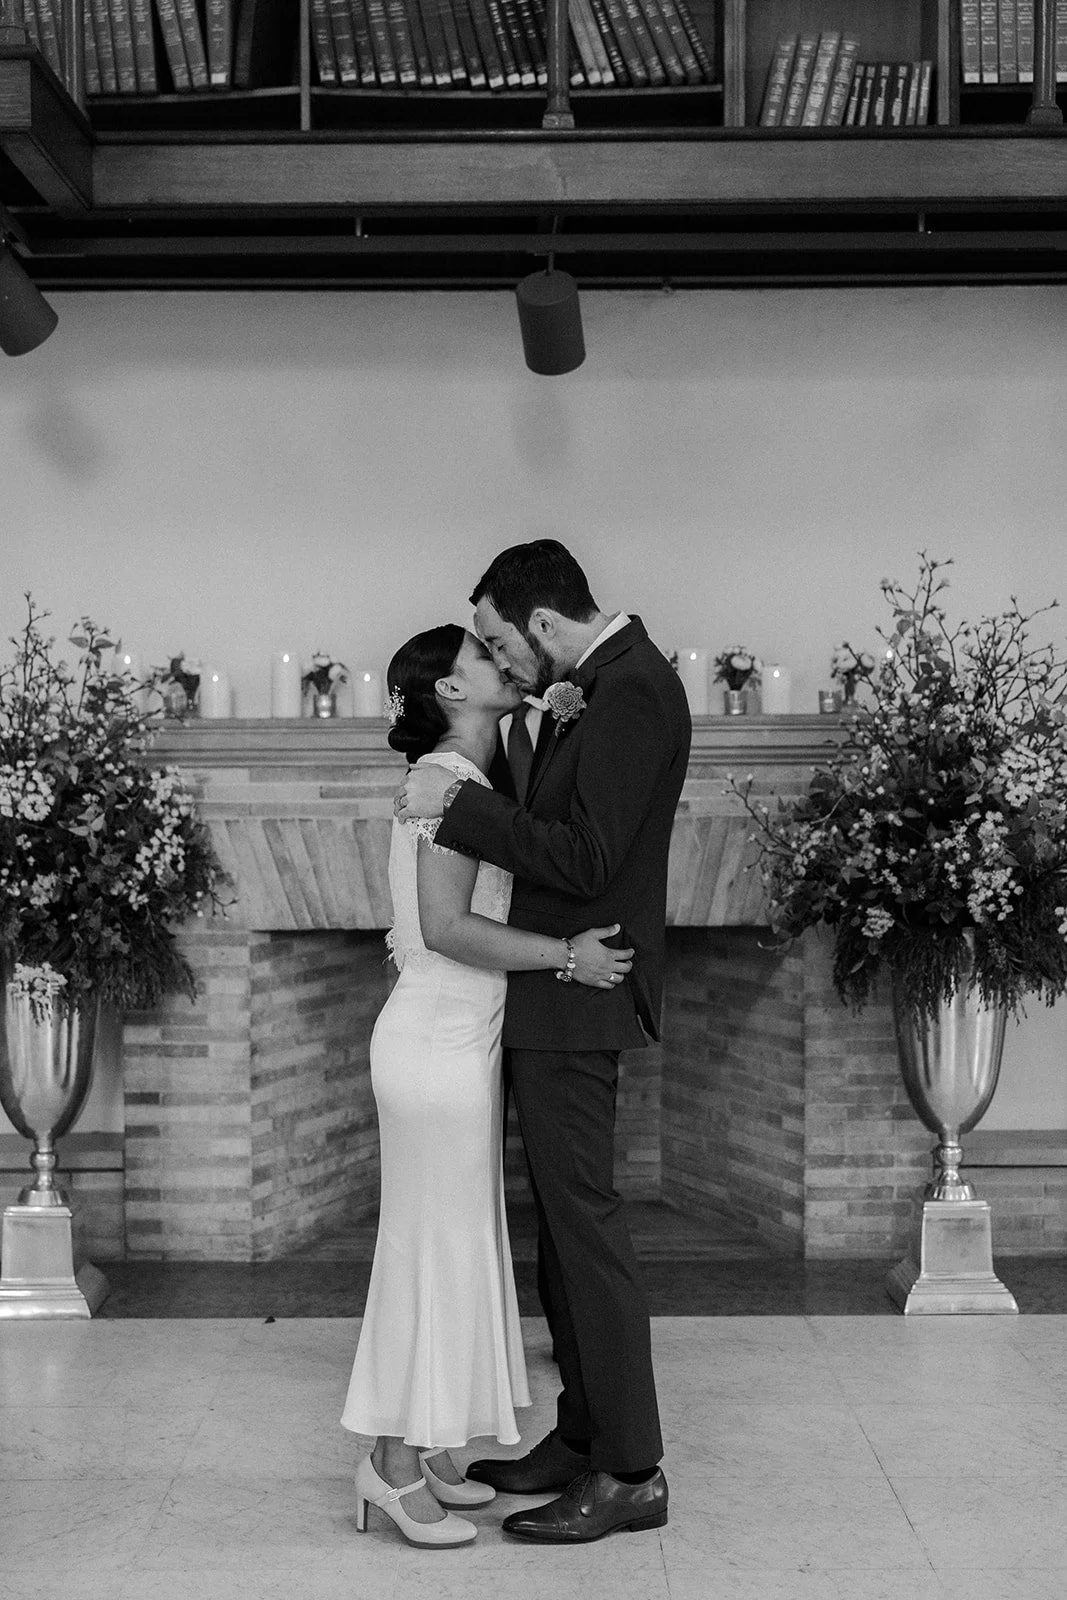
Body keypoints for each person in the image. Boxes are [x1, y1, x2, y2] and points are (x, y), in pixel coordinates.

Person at [396, 540, 692, 1545]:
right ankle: (579, 1430)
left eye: (495, 639)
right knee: (559, 1235)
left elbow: (586, 852)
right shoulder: (593, 686)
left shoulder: (633, 690)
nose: (499, 658)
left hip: (579, 995)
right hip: (550, 998)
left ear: (543, 624)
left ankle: (630, 1470)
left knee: (588, 1231)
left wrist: (461, 807)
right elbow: (558, 812)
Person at [340, 622, 633, 1550]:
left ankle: (426, 1449)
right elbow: (445, 928)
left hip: (462, 1038)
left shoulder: (474, 783)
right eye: (481, 657)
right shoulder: (450, 785)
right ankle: (385, 1467)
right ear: (451, 693)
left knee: (457, 1247)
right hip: (433, 1041)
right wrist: (566, 958)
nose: (502, 663)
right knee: (425, 1254)